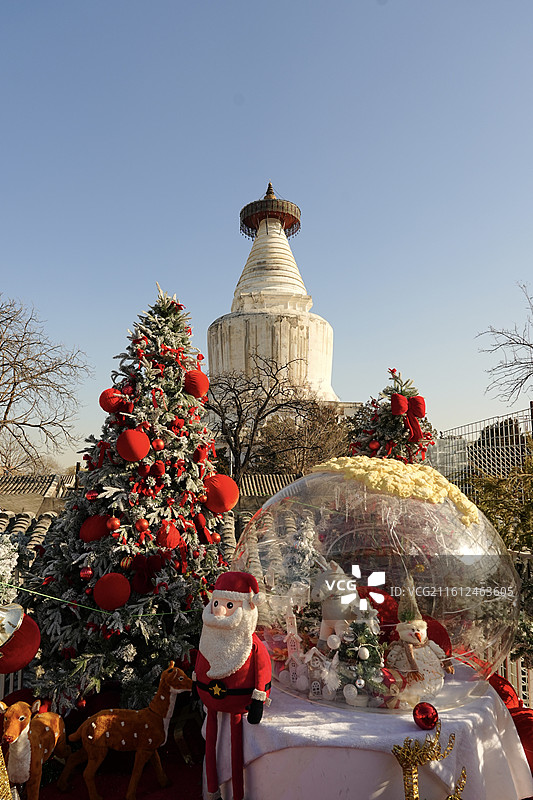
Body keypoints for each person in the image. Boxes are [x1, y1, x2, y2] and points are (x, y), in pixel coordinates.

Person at [193, 571, 271, 800]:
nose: (219, 611)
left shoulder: (251, 643)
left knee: (236, 745)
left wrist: (259, 698)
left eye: (228, 605)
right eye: (216, 603)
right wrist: (196, 682)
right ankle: (211, 790)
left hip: (239, 702)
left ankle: (237, 794)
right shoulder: (209, 635)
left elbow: (262, 668)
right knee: (210, 741)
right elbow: (201, 657)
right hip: (212, 699)